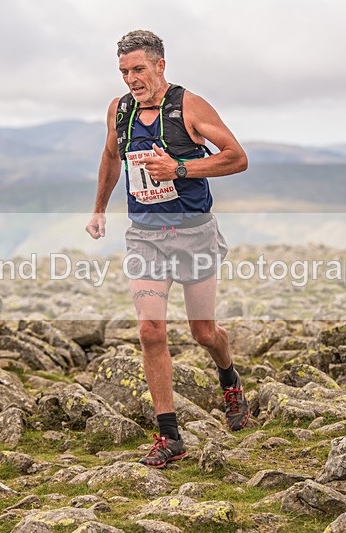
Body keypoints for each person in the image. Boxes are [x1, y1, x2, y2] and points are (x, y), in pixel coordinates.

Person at [85, 29, 249, 469]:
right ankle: (169, 434)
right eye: (123, 71)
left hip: (193, 232)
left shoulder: (188, 106)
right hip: (146, 236)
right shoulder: (119, 112)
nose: (131, 79)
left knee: (203, 333)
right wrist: (99, 209)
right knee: (150, 331)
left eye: (138, 69)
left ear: (160, 65)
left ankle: (229, 379)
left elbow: (236, 157)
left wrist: (180, 167)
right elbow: (109, 157)